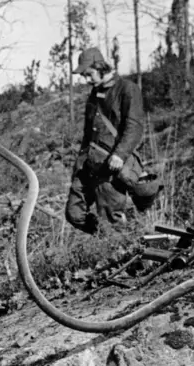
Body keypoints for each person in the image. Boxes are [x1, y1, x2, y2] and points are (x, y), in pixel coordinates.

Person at [65, 46, 161, 235]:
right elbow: (88, 132)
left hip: (110, 167)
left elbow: (134, 126)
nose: (87, 79)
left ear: (100, 67)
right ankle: (107, 237)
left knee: (110, 221)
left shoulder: (127, 89)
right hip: (88, 165)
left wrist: (120, 154)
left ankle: (119, 245)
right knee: (74, 214)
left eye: (88, 74)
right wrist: (80, 161)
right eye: (84, 75)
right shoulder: (94, 93)